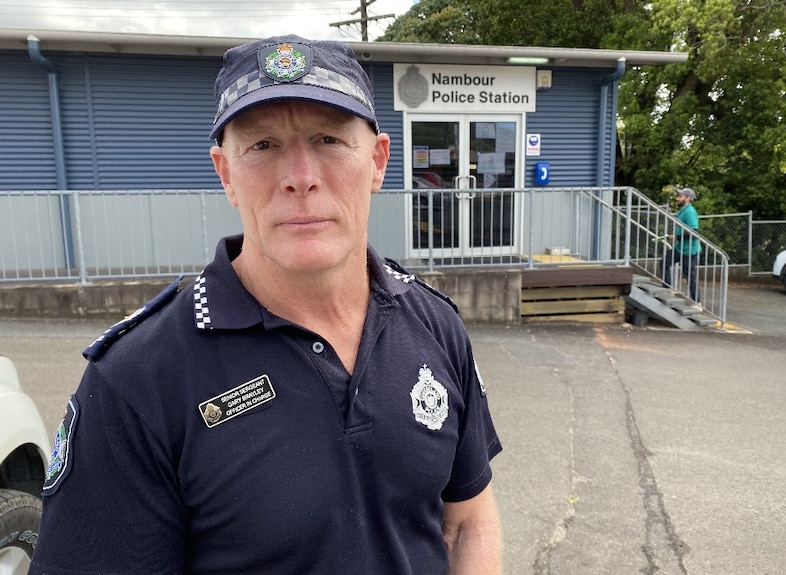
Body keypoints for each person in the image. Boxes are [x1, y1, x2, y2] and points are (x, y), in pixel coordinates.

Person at [30, 35, 503, 575]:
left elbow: (468, 521)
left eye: (328, 139)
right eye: (263, 146)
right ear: (226, 173)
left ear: (377, 162)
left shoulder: (435, 325)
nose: (300, 177)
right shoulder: (138, 379)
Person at [662, 186, 701, 301]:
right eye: (678, 196)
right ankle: (668, 288)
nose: (678, 198)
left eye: (680, 196)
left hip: (689, 250)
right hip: (680, 248)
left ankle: (697, 302)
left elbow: (694, 232)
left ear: (688, 198)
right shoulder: (682, 211)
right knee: (664, 262)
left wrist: (677, 237)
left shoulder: (690, 212)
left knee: (689, 275)